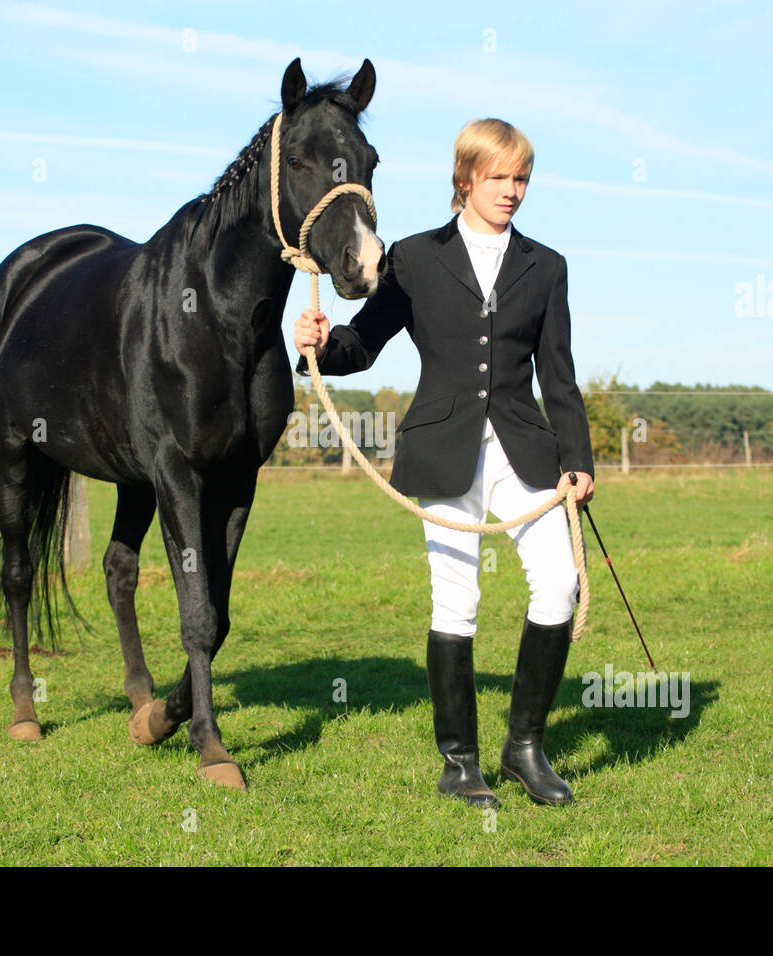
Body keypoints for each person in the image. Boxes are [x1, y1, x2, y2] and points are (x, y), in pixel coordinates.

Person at [293, 118, 595, 808]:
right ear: (465, 180)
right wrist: (318, 344)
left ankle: (524, 749)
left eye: (520, 178)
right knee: (456, 601)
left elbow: (560, 374)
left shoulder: (547, 267)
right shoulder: (414, 258)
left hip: (525, 451)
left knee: (558, 585)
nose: (512, 191)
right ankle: (460, 763)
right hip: (440, 447)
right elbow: (361, 346)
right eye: (498, 177)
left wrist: (578, 459)